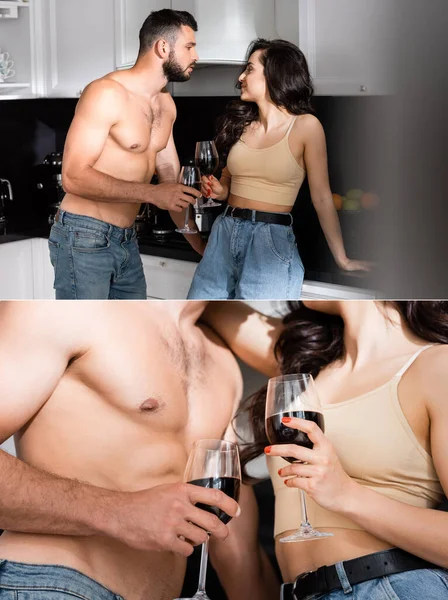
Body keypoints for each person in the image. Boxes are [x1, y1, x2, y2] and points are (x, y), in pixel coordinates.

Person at [0, 301, 279, 600]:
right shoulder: (64, 312)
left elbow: (238, 554)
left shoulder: (222, 362)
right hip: (54, 585)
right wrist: (120, 511)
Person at [203, 301, 448, 599]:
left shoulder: (437, 365)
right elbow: (208, 304)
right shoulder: (304, 368)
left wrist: (346, 494)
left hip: (390, 586)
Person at [188, 39, 370, 300]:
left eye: (249, 69)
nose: (240, 77)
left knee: (259, 334)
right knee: (198, 324)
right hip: (224, 232)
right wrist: (219, 190)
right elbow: (228, 180)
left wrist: (342, 259)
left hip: (269, 240)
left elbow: (321, 197)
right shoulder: (242, 124)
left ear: (274, 74)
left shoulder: (306, 126)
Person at [49, 9, 203, 301]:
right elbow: (72, 176)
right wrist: (152, 194)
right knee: (87, 334)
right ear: (163, 47)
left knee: (130, 331)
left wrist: (199, 246)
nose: (195, 56)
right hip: (84, 235)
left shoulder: (166, 105)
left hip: (126, 239)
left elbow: (169, 180)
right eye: (189, 46)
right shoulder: (106, 93)